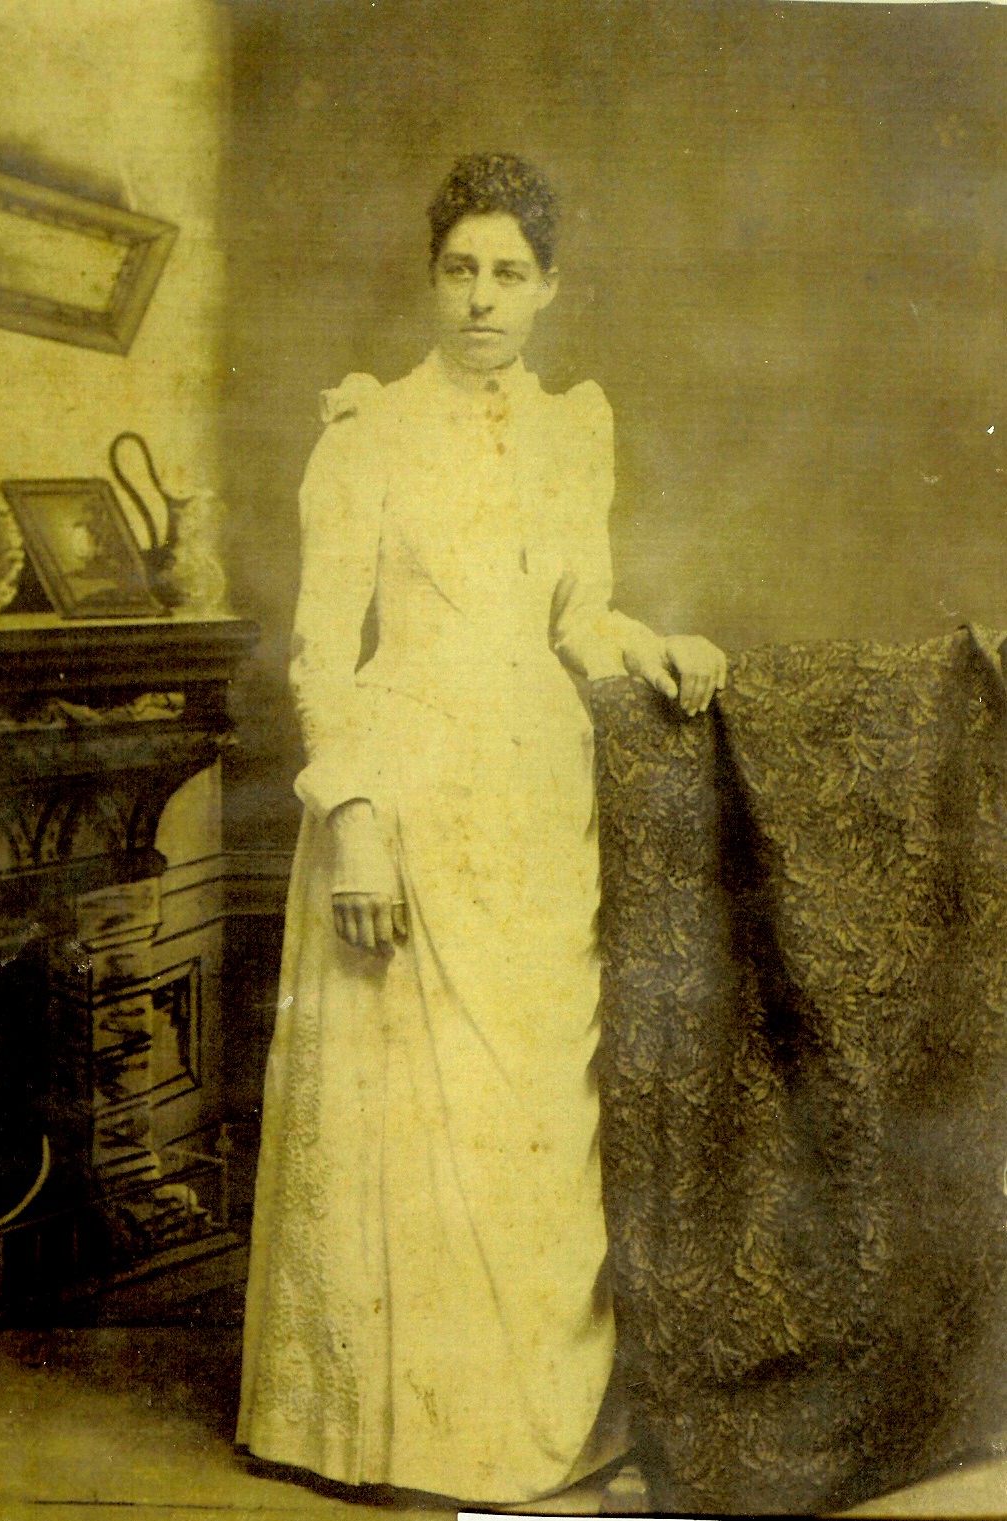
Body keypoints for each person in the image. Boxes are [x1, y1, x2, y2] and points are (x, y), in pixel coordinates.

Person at [236, 152, 727, 1509]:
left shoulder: (575, 430)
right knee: (402, 1120)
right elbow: (323, 650)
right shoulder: (366, 434)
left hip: (534, 794)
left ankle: (527, 1430)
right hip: (403, 782)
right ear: (431, 278)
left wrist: (653, 644)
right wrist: (354, 820)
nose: (481, 299)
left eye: (510, 273)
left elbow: (574, 618)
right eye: (460, 269)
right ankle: (391, 1438)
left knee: (532, 1117)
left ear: (550, 287)